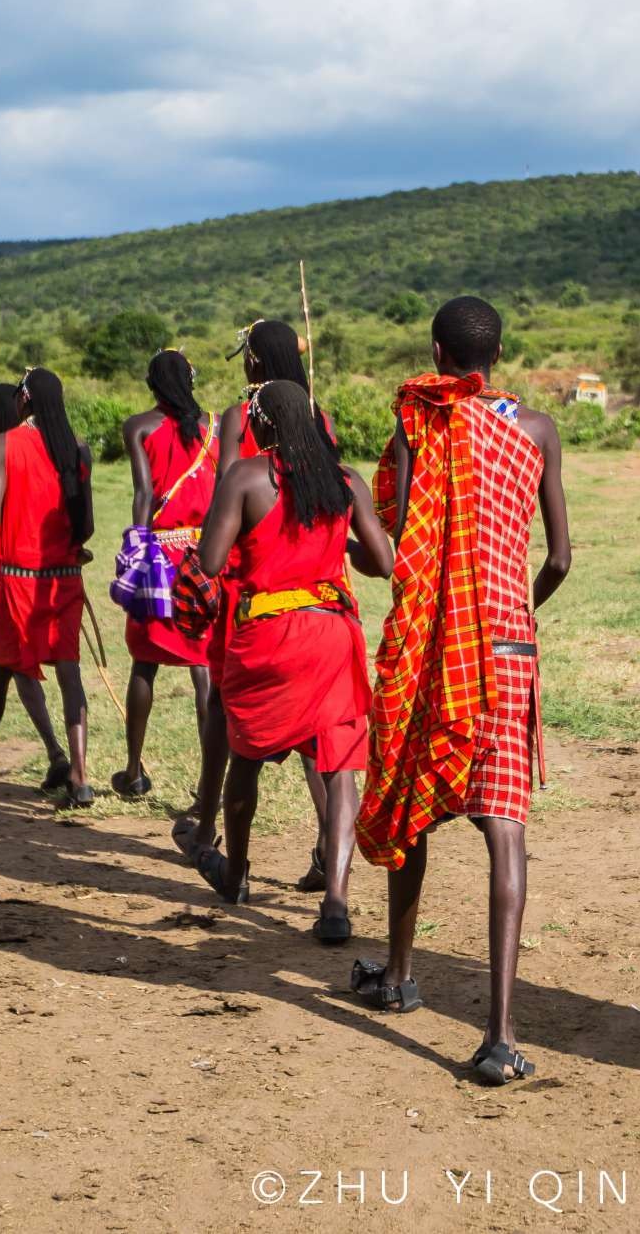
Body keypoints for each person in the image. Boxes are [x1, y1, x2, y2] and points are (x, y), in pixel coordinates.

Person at [352, 296, 571, 1088]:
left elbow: (396, 536)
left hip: (438, 642)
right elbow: (561, 559)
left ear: (436, 349)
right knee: (504, 835)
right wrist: (514, 612)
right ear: (498, 353)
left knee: (411, 801)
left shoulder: (419, 424)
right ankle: (501, 1036)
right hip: (509, 645)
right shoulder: (538, 430)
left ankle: (402, 976)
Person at [185, 380, 395, 941]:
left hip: (267, 636)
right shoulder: (344, 480)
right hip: (331, 633)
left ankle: (234, 873)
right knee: (341, 764)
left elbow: (209, 560)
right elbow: (383, 561)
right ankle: (336, 901)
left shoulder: (248, 476)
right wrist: (338, 541)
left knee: (245, 756)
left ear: (265, 424)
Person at [182, 319, 332, 884]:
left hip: (251, 588)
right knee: (317, 726)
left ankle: (208, 831)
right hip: (318, 587)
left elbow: (224, 494)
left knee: (228, 711)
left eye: (245, 355)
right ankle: (325, 844)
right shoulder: (320, 417)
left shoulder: (239, 418)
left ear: (255, 361)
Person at [0, 367, 97, 803]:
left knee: (1, 670)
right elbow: (86, 526)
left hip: (18, 581)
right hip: (64, 580)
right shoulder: (77, 448)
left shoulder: (4, 445)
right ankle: (78, 775)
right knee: (69, 672)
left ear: (25, 399)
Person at [113, 349, 220, 801]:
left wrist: (137, 543)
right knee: (204, 667)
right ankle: (207, 784)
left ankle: (134, 771)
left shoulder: (139, 426)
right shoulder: (215, 427)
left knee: (145, 661)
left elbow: (143, 493)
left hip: (160, 557)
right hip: (207, 557)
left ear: (152, 384)